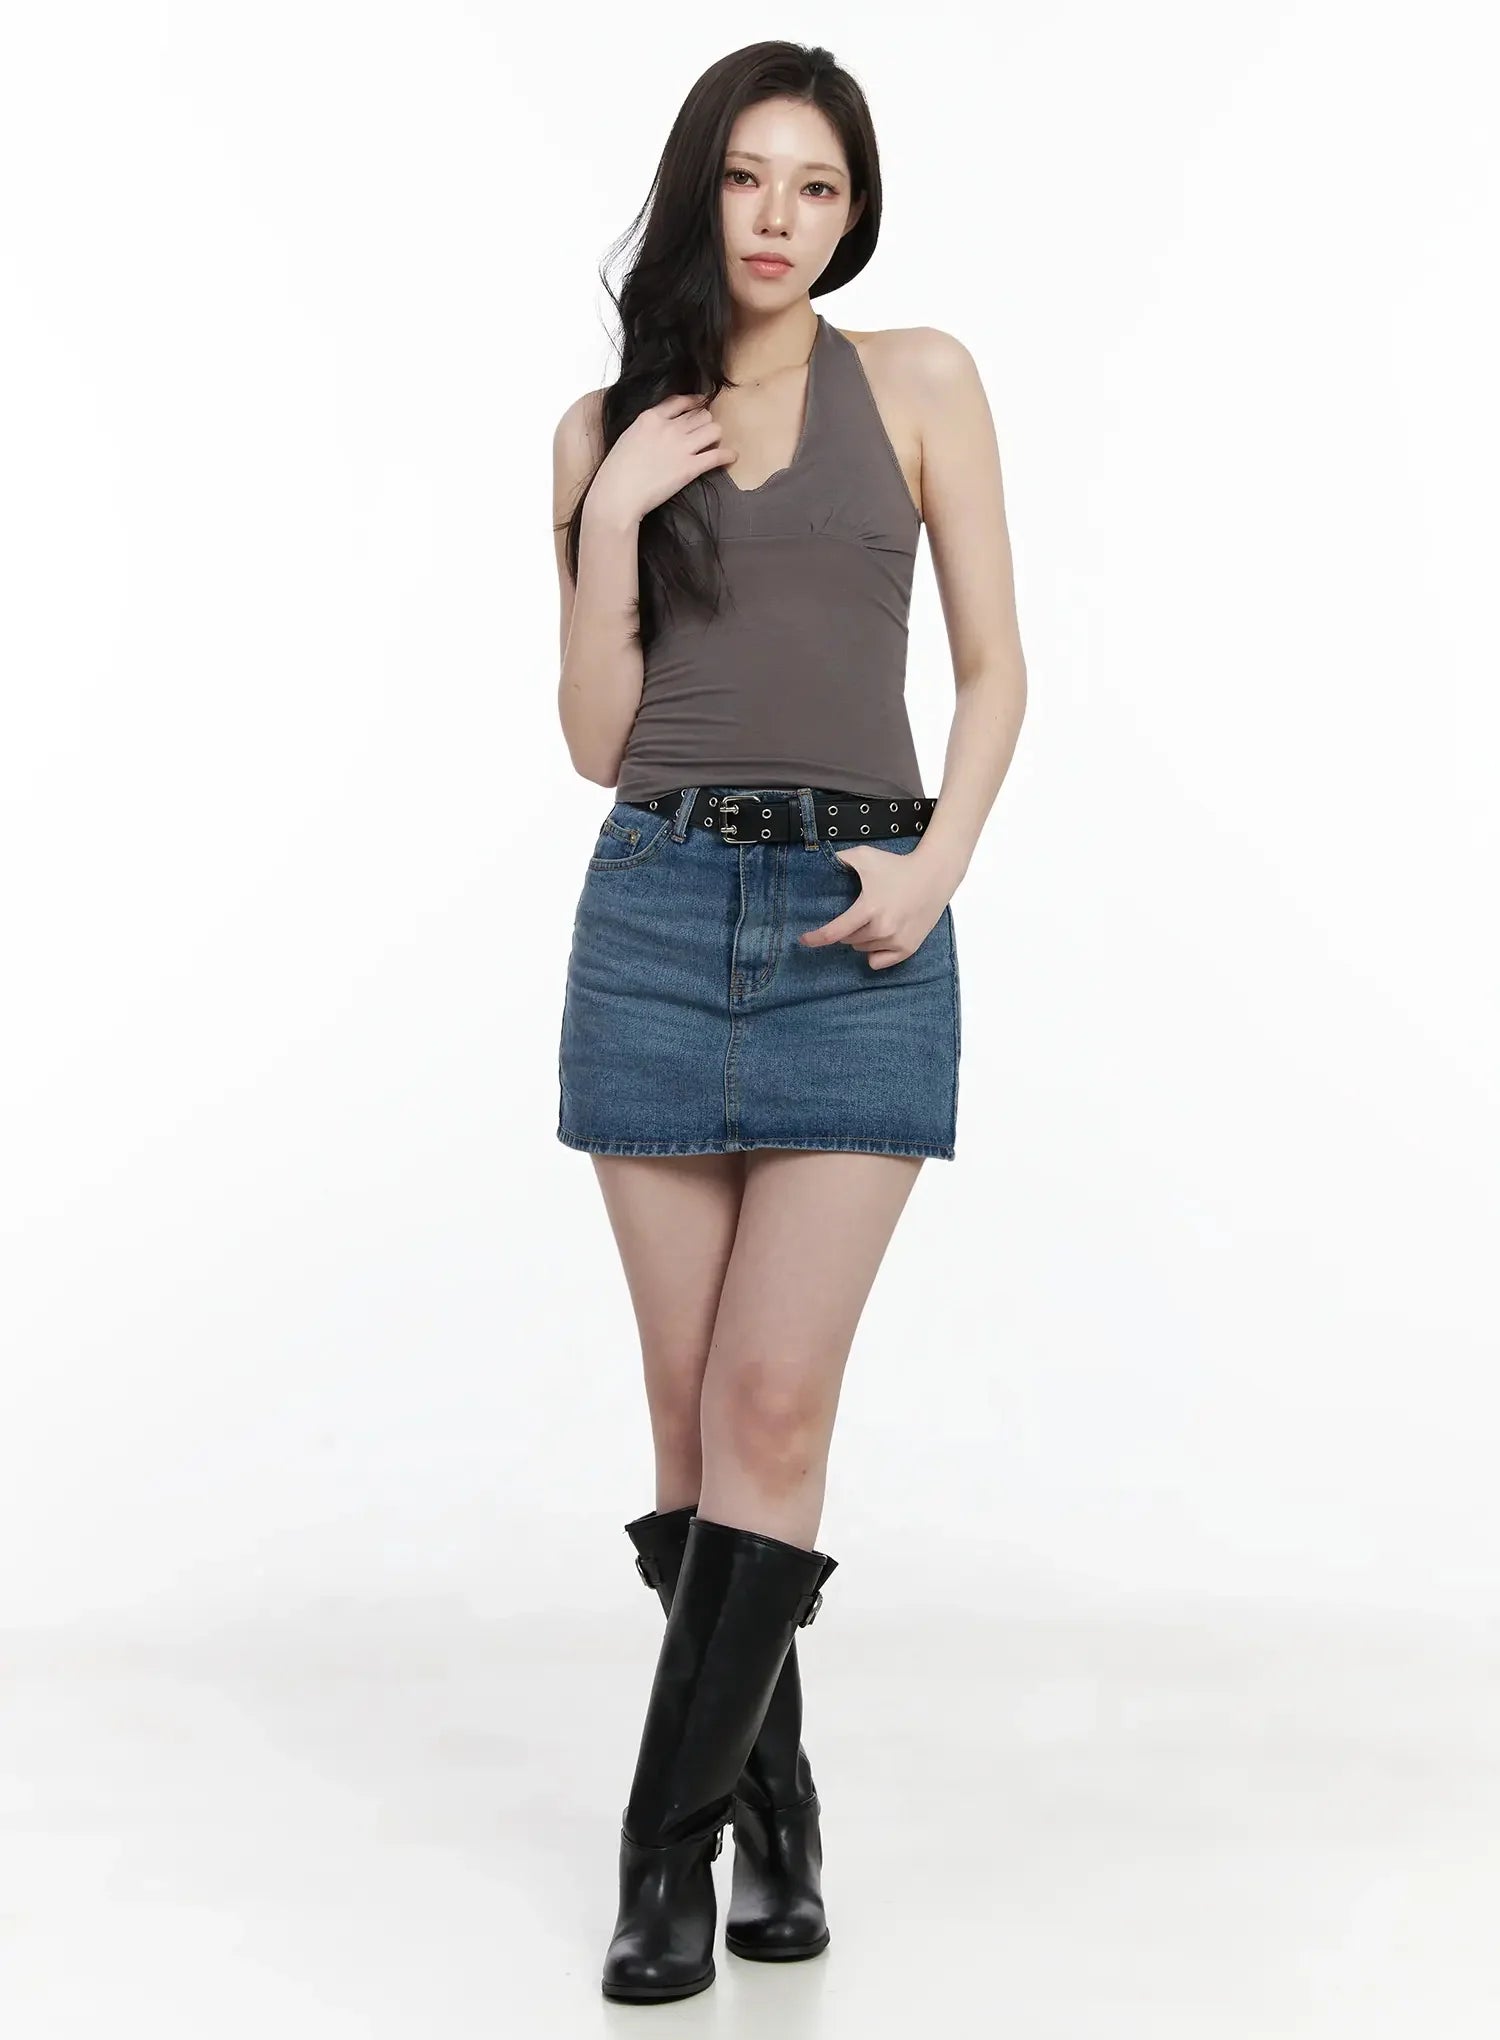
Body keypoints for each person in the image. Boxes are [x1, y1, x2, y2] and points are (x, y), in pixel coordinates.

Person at [551, 40, 1027, 2005]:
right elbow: (599, 743)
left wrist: (935, 866)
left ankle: (660, 1858)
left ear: (854, 211)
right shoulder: (604, 429)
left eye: (817, 186)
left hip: (859, 924)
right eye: (750, 177)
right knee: (691, 1425)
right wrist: (608, 525)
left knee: (771, 1407)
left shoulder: (917, 380)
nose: (779, 218)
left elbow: (995, 670)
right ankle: (781, 1811)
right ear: (700, 187)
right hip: (658, 913)